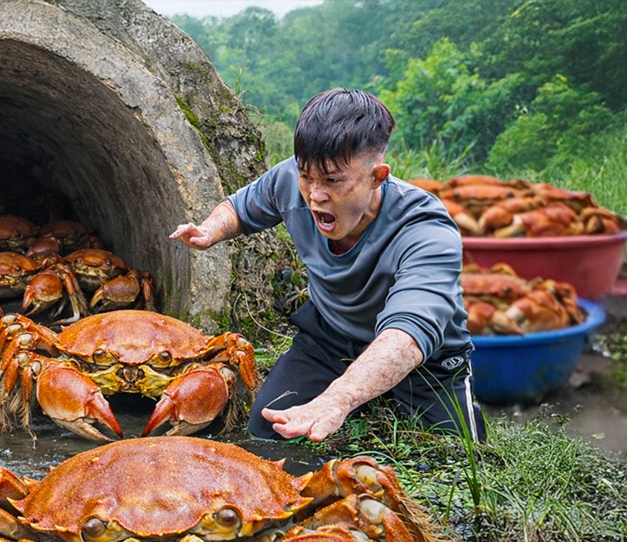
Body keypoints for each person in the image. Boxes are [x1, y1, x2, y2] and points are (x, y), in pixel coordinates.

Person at [170, 88, 485, 443]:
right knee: (267, 426)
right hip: (331, 338)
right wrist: (211, 229)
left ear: (378, 176)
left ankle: (370, 393)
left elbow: (409, 335)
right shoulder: (292, 180)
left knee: (457, 453)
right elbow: (240, 208)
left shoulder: (426, 230)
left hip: (425, 361)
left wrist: (339, 398)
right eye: (307, 176)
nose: (316, 195)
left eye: (333, 180)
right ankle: (360, 389)